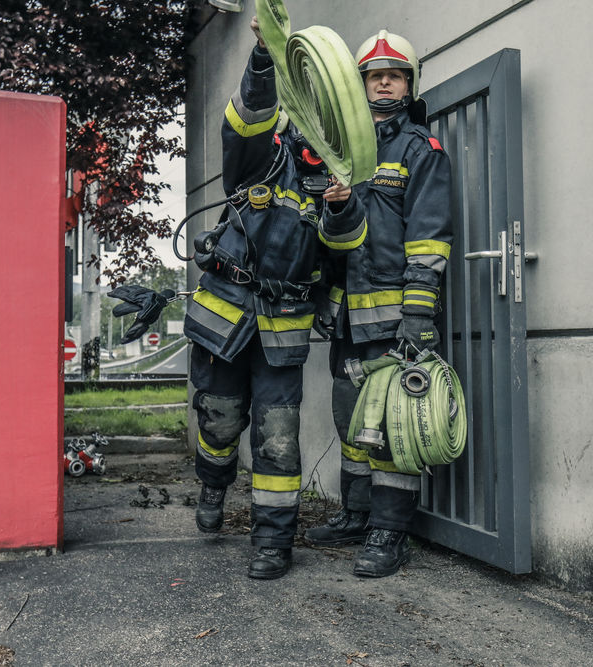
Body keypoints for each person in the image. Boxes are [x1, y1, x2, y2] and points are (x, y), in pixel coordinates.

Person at [184, 17, 367, 580]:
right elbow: (244, 119)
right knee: (219, 423)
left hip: (282, 329)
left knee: (278, 439)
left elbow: (346, 246)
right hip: (225, 318)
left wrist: (341, 206)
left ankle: (272, 541)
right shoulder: (262, 154)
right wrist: (264, 59)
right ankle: (213, 484)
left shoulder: (340, 177)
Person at [306, 30, 452, 578]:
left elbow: (430, 238)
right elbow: (329, 241)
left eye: (394, 75)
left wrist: (418, 314)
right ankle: (357, 514)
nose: (384, 83)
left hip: (395, 320)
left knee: (391, 425)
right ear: (360, 85)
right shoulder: (339, 152)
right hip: (347, 316)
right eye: (374, 76)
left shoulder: (420, 150)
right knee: (351, 420)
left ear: (409, 85)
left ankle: (390, 532)